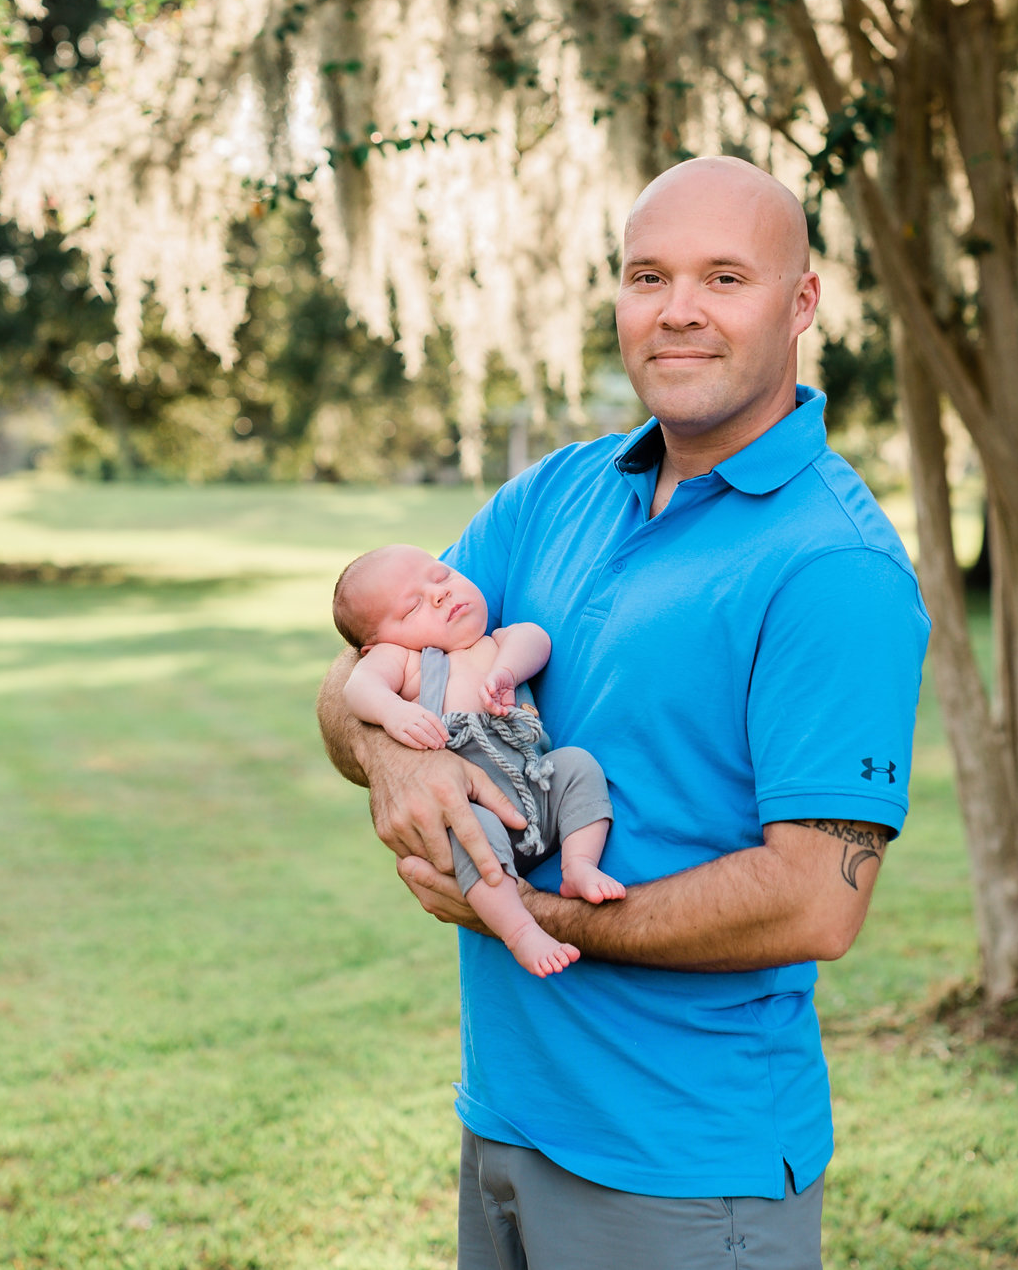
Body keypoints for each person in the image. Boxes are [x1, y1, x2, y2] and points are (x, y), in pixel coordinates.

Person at [314, 156, 931, 1270]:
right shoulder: (559, 490)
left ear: (800, 305)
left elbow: (814, 905)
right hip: (506, 1119)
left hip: (685, 1173)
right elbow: (362, 667)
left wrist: (532, 915)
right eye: (648, 276)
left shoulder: (832, 565)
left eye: (724, 277)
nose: (678, 310)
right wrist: (399, 763)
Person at [331, 544, 621, 976]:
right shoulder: (406, 660)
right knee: (470, 833)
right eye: (412, 608)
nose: (440, 595)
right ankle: (522, 930)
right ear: (377, 643)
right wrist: (395, 711)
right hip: (479, 813)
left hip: (537, 788)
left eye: (442, 576)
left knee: (577, 765)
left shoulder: (496, 643)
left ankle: (578, 864)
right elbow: (358, 688)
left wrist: (506, 670)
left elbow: (535, 640)